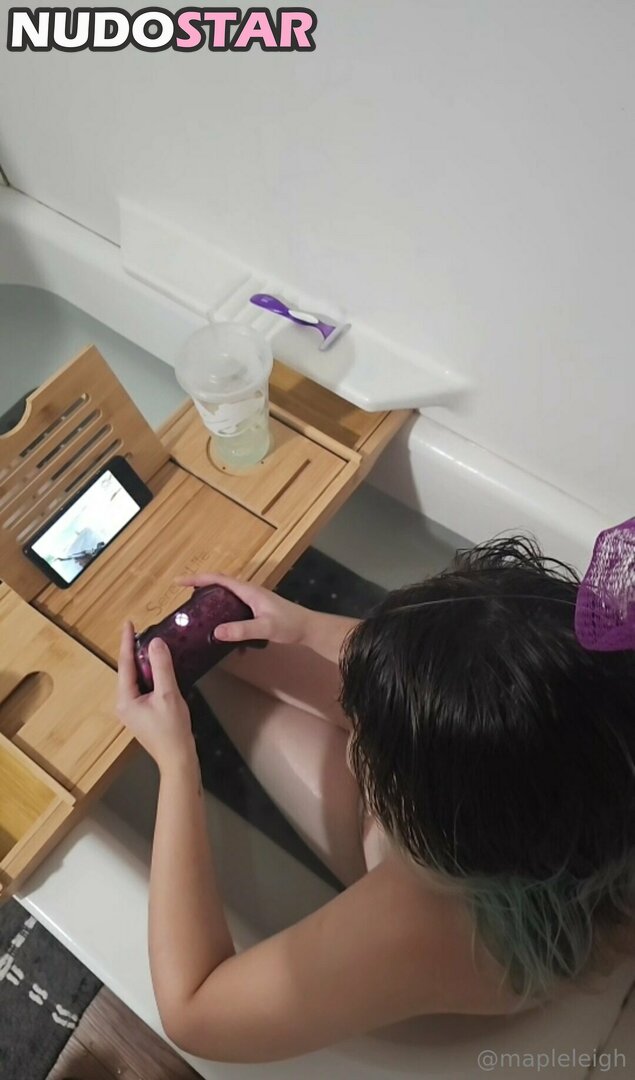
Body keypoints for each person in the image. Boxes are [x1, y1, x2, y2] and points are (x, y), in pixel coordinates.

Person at [116, 536, 635, 1064]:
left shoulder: (427, 928)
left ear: (428, 831)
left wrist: (177, 762)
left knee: (206, 680)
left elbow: (193, 1011)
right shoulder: (609, 705)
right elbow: (504, 679)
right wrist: (310, 627)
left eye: (370, 750)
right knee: (220, 650)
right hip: (536, 848)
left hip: (482, 920)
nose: (355, 740)